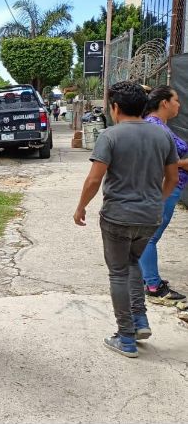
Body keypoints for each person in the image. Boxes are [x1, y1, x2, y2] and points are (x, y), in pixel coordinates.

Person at [74, 81, 179, 358]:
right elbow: (173, 179)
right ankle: (140, 320)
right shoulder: (163, 136)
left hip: (118, 217)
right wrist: (157, 201)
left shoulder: (110, 136)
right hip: (150, 217)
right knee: (133, 264)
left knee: (118, 272)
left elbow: (94, 179)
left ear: (115, 107)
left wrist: (81, 207)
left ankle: (126, 337)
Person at [139, 85, 188, 304]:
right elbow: (155, 160)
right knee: (150, 236)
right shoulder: (155, 126)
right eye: (176, 100)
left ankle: (146, 278)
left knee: (149, 235)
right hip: (164, 186)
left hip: (168, 186)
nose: (179, 104)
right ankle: (153, 285)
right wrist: (183, 164)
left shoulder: (159, 126)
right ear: (164, 103)